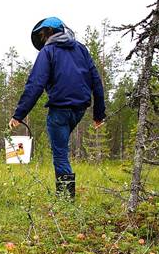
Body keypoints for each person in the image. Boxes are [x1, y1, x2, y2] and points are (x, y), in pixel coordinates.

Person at [9, 16, 106, 200]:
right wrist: (98, 114)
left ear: (49, 34)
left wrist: (19, 115)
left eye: (44, 35)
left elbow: (35, 84)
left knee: (60, 155)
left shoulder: (48, 51)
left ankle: (66, 201)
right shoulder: (81, 49)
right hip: (79, 110)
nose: (43, 40)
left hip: (60, 110)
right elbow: (96, 81)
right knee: (62, 150)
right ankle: (65, 198)